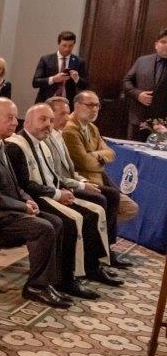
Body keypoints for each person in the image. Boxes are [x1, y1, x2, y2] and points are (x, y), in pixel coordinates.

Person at [0, 98, 71, 308]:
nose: (15, 122)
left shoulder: (0, 143)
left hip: (3, 208)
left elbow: (13, 184)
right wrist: (22, 206)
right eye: (9, 118)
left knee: (56, 222)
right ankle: (35, 287)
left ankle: (48, 282)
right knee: (43, 227)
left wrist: (27, 199)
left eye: (15, 117)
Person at [6, 103, 119, 297]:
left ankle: (90, 266)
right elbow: (24, 185)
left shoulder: (42, 143)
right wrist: (58, 194)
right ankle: (66, 278)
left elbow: (52, 175)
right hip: (35, 198)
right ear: (28, 120)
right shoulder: (16, 146)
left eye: (50, 120)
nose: (48, 125)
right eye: (43, 120)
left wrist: (65, 190)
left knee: (95, 210)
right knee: (72, 219)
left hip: (49, 192)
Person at [45, 96, 130, 269]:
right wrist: (83, 183)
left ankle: (105, 251)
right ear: (50, 115)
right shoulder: (63, 133)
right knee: (100, 200)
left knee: (112, 195)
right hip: (61, 187)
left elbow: (111, 154)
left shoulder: (62, 134)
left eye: (67, 113)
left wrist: (83, 178)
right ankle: (92, 260)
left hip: (75, 180)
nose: (66, 118)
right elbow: (80, 164)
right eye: (62, 114)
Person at [61, 90, 140, 221]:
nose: (95, 109)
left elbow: (112, 153)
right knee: (120, 209)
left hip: (100, 182)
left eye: (97, 105)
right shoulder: (69, 129)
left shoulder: (92, 128)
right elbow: (85, 162)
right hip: (84, 182)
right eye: (90, 105)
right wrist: (101, 162)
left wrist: (94, 155)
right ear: (77, 105)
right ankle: (97, 232)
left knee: (130, 208)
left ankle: (98, 230)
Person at [122, 27, 167, 140]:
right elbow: (127, 81)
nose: (166, 45)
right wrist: (138, 94)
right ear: (156, 44)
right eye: (163, 42)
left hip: (163, 123)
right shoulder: (142, 61)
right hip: (139, 118)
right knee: (132, 153)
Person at [32, 30, 88, 104]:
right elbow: (35, 83)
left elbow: (86, 85)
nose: (67, 49)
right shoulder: (46, 59)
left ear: (74, 44)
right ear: (58, 43)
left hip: (68, 103)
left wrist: (77, 78)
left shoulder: (79, 62)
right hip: (47, 101)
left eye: (70, 46)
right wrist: (54, 79)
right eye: (64, 45)